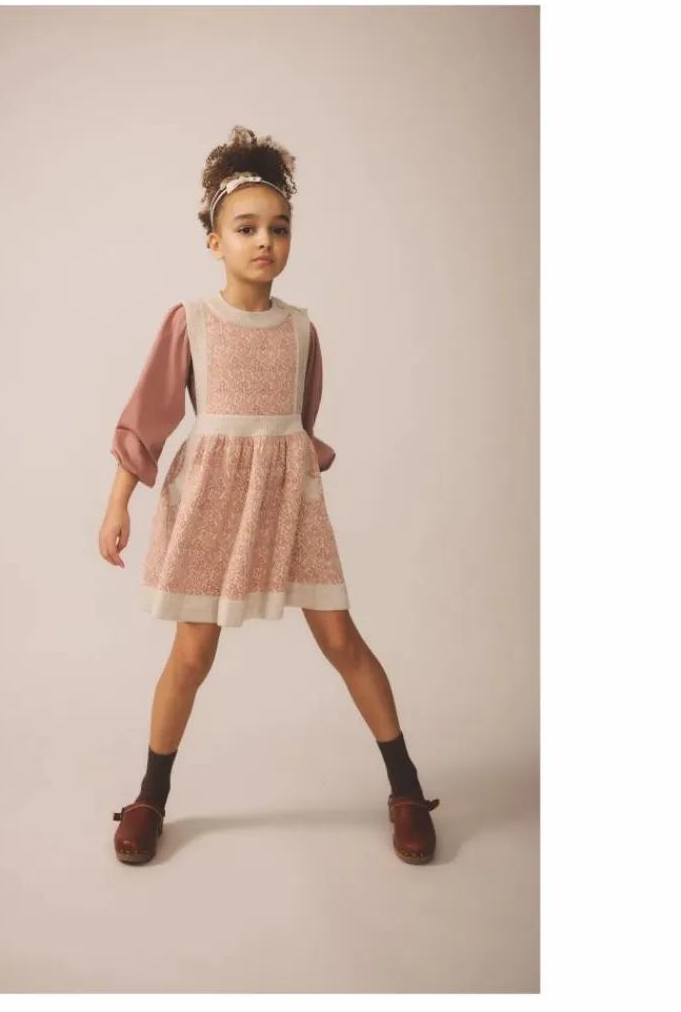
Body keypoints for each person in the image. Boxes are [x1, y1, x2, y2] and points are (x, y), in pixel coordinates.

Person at [98, 126, 439, 867]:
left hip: (288, 501)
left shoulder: (302, 330)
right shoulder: (191, 322)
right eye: (246, 228)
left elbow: (298, 427)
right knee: (192, 654)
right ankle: (150, 796)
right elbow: (149, 415)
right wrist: (119, 502)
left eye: (278, 228)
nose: (264, 242)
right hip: (210, 502)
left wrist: (290, 480)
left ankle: (407, 788)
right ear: (213, 240)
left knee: (341, 639)